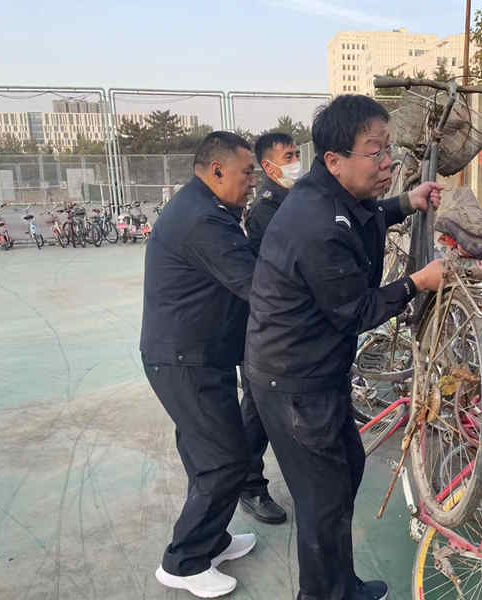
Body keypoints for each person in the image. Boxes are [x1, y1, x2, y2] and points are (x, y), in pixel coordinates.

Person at [246, 95, 445, 600]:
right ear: (334, 160)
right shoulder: (315, 223)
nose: (388, 163)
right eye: (375, 152)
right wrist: (418, 282)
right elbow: (356, 311)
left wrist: (407, 202)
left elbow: (368, 212)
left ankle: (341, 585)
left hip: (317, 371)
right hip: (294, 382)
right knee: (322, 500)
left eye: (389, 149)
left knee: (346, 473)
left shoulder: (333, 196)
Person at [140, 131, 260, 599]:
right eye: (246, 172)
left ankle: (212, 541)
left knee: (204, 456)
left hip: (197, 354)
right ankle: (184, 561)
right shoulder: (202, 219)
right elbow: (258, 286)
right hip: (184, 360)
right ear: (217, 170)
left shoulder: (207, 207)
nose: (252, 181)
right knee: (226, 460)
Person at [237, 131, 302, 524]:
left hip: (290, 326)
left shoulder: (294, 199)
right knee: (259, 408)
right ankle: (249, 485)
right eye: (288, 156)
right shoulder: (266, 209)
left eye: (296, 153)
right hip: (269, 326)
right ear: (268, 166)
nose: (296, 161)